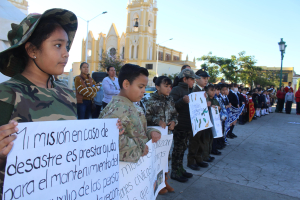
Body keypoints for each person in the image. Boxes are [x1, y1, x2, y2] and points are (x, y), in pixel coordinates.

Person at [0, 9, 79, 197]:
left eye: (66, 46)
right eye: (58, 45)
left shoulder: (68, 94)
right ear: (32, 50)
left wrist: (105, 134)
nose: (66, 54)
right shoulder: (7, 93)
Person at [99, 64, 161, 163]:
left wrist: (150, 132)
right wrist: (140, 149)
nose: (144, 91)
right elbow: (110, 142)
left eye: (145, 87)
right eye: (140, 87)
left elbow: (137, 131)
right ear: (126, 84)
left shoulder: (132, 106)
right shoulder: (116, 111)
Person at [145, 76, 178, 194]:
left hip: (167, 136)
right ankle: (156, 184)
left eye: (170, 86)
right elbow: (146, 117)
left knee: (165, 158)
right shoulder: (150, 100)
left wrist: (174, 122)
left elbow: (175, 115)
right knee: (156, 159)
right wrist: (157, 121)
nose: (169, 89)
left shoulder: (170, 99)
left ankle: (164, 182)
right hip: (155, 136)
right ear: (157, 87)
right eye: (166, 86)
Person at [169, 68, 196, 182]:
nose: (193, 82)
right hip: (180, 126)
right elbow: (171, 107)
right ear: (185, 79)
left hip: (187, 125)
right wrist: (182, 101)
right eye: (192, 80)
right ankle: (175, 172)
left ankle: (180, 169)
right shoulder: (176, 90)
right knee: (178, 150)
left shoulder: (190, 91)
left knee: (183, 149)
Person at [205, 84, 222, 156]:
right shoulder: (206, 99)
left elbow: (219, 109)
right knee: (208, 138)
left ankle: (213, 149)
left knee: (214, 136)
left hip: (215, 121)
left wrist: (218, 108)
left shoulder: (215, 100)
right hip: (207, 121)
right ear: (207, 91)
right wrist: (210, 107)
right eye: (211, 90)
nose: (213, 92)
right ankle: (207, 153)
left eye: (214, 90)